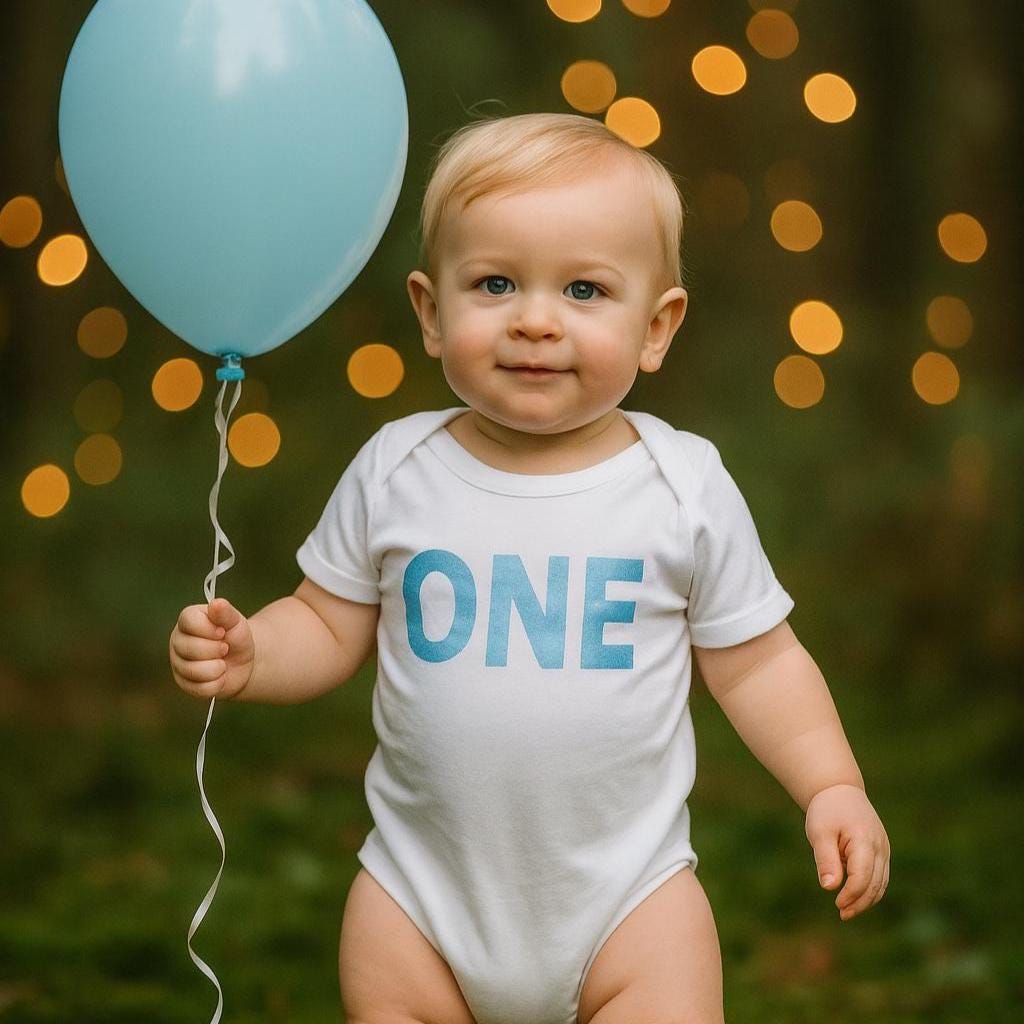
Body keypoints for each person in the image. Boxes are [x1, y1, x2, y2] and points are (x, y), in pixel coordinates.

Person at [169, 112, 890, 1024]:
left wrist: (832, 783)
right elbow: (325, 622)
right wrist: (253, 655)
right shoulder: (398, 468)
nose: (536, 321)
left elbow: (759, 662)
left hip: (631, 903)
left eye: (585, 290)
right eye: (496, 283)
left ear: (656, 327)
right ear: (432, 312)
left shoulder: (681, 486)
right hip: (419, 898)